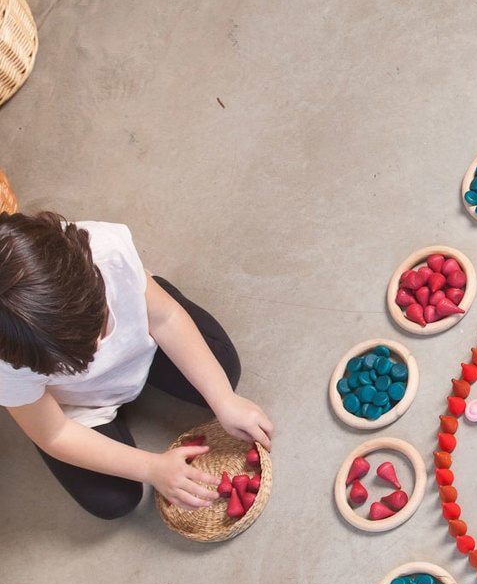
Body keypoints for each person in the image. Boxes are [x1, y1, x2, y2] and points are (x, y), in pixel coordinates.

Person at [0, 212, 273, 519]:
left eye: (98, 326)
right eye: (78, 354)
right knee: (113, 501)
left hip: (142, 340)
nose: (98, 347)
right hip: (75, 402)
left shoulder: (105, 250)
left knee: (223, 369)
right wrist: (151, 467)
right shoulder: (5, 359)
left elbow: (165, 318)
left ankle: (147, 286)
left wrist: (224, 398)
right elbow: (53, 433)